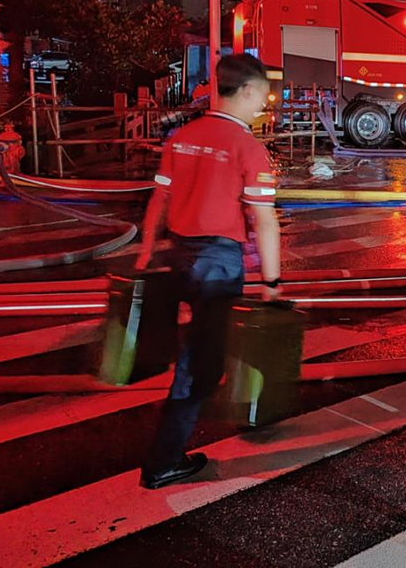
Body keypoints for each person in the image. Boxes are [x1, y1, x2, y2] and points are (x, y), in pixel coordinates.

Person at [135, 54, 282, 489]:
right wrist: (272, 283)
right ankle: (163, 463)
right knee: (198, 363)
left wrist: (146, 252)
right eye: (263, 95)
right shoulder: (247, 147)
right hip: (218, 263)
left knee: (190, 351)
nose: (263, 105)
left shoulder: (183, 136)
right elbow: (264, 219)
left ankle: (175, 441)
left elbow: (158, 201)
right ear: (249, 91)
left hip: (178, 252)